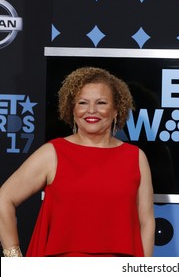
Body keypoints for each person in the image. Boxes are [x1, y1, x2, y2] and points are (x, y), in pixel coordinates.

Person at [0, 67, 155, 257]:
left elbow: (146, 222)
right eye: (82, 103)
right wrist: (13, 259)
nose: (91, 110)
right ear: (72, 109)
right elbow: (3, 198)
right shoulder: (53, 153)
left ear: (116, 110)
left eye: (101, 103)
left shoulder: (135, 157)